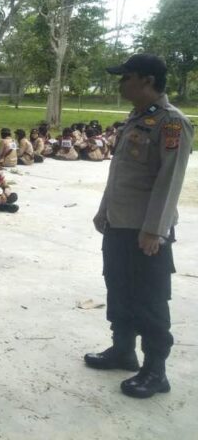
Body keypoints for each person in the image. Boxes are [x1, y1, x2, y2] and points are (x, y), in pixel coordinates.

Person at [87, 54, 193, 399]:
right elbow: (120, 173)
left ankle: (155, 371)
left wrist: (154, 230)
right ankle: (123, 349)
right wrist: (105, 210)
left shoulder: (171, 123)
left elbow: (169, 181)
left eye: (126, 77)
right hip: (119, 224)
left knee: (149, 298)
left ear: (147, 80)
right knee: (118, 287)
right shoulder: (136, 119)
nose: (122, 84)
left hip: (145, 231)